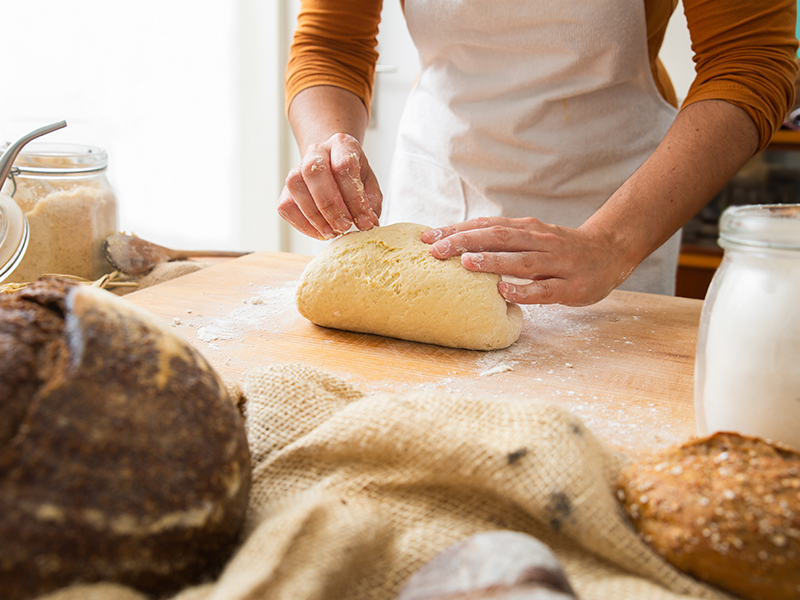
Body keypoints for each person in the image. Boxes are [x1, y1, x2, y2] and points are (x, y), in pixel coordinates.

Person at [278, 0, 797, 306]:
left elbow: (751, 60)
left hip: (618, 201)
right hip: (438, 183)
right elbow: (331, 45)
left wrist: (612, 243)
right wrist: (327, 143)